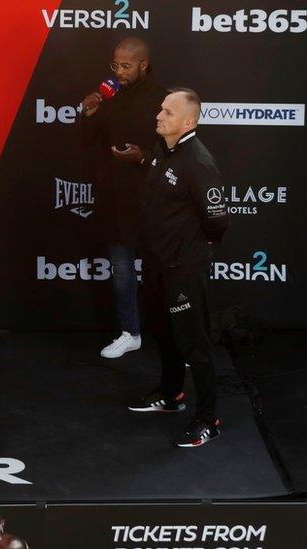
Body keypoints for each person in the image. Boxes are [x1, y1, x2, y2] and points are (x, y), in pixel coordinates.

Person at [127, 88, 229, 448]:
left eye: (168, 112)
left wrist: (194, 248)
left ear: (188, 121)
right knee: (163, 333)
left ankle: (208, 419)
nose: (159, 115)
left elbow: (216, 219)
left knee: (194, 345)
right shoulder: (162, 152)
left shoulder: (197, 162)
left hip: (183, 269)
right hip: (156, 265)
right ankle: (171, 395)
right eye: (161, 109)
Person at [80, 37, 168, 360]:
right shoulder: (110, 98)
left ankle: (174, 335)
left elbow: (176, 153)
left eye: (126, 65)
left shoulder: (164, 100)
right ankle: (130, 333)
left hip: (155, 203)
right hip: (117, 201)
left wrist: (142, 158)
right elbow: (87, 141)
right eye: (115, 65)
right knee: (122, 272)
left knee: (164, 276)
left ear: (144, 64)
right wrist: (89, 114)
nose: (119, 71)